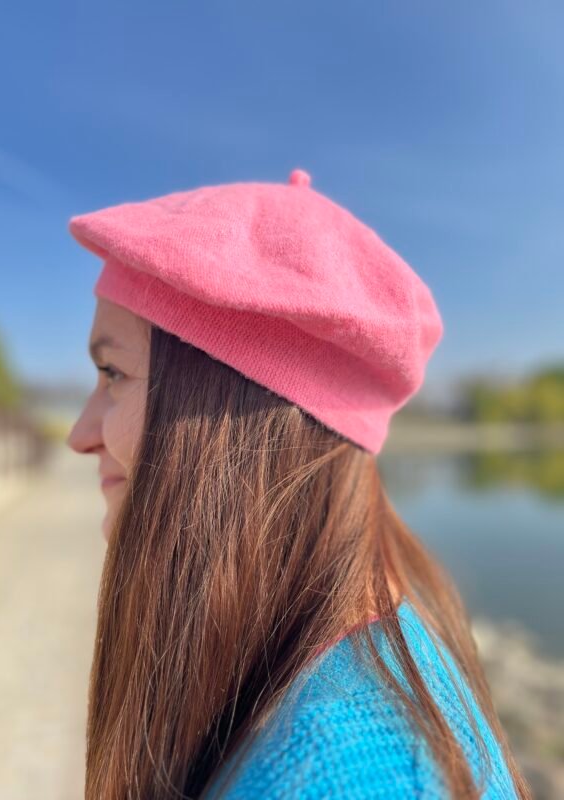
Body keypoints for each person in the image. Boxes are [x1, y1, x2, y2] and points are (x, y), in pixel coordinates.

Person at [66, 169, 531, 799]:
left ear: (237, 416)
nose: (79, 433)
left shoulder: (340, 778)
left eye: (112, 371)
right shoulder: (368, 633)